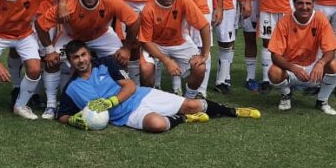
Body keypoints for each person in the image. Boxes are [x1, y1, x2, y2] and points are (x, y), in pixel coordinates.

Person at [57, 40, 261, 133]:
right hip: (126, 116)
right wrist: (73, 120)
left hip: (140, 96)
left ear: (89, 55)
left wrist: (110, 101)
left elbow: (130, 86)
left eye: (83, 55)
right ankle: (184, 119)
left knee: (192, 104)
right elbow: (62, 115)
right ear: (70, 61)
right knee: (157, 125)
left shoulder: (105, 64)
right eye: (75, 57)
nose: (81, 60)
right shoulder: (71, 89)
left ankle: (233, 111)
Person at [36, 0, 139, 109]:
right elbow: (40, 25)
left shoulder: (111, 0)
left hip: (102, 36)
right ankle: (51, 104)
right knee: (53, 61)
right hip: (72, 38)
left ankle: (126, 93)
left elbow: (134, 21)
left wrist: (126, 48)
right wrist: (49, 50)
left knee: (120, 58)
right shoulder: (69, 5)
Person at [268, 0, 336, 115]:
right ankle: (286, 95)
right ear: (294, 3)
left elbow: (331, 50)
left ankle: (322, 101)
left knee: (334, 65)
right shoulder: (284, 21)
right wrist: (294, 68)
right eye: (300, 3)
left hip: (313, 69)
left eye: (308, 3)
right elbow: (275, 55)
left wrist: (320, 64)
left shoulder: (320, 19)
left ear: (313, 4)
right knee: (274, 72)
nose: (304, 7)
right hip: (291, 70)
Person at [139, 0, 210, 99]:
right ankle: (150, 99)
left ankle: (189, 98)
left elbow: (204, 26)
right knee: (146, 69)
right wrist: (167, 61)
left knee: (200, 67)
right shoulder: (148, 9)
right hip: (155, 44)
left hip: (180, 42)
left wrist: (204, 54)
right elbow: (146, 42)